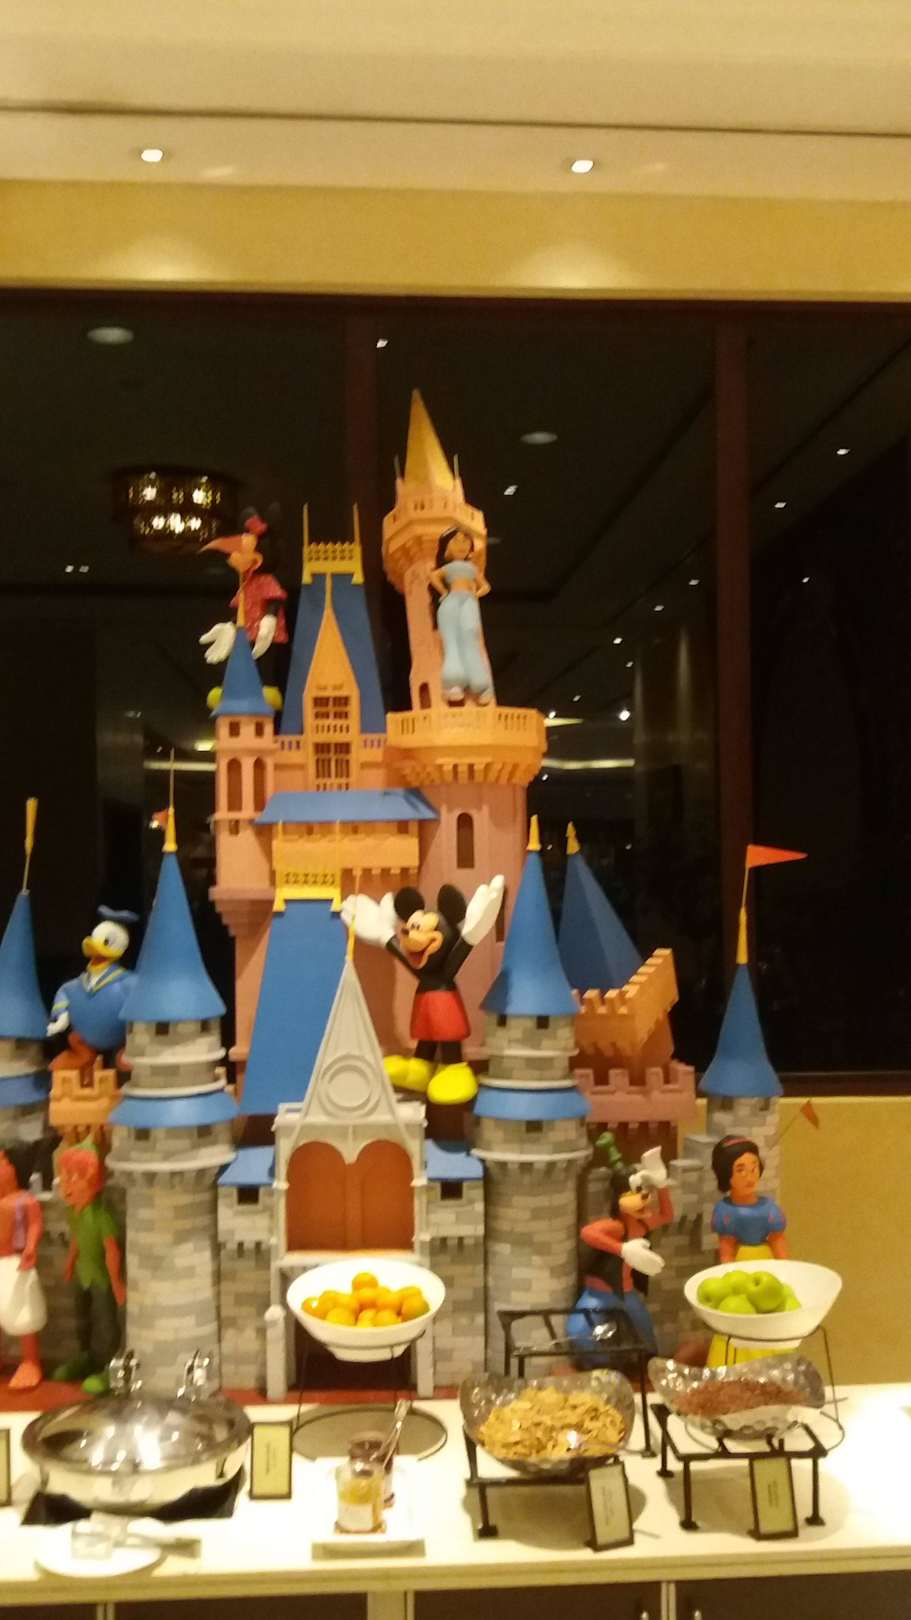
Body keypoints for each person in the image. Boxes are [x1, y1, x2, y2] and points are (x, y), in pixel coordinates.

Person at [341, 877, 504, 1105]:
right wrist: (383, 935)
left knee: (448, 1036)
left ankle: (454, 1068)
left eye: (419, 929)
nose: (410, 937)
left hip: (446, 1004)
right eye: (408, 929)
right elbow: (406, 959)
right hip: (426, 1005)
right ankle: (420, 1068)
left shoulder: (446, 970)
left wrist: (471, 935)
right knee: (426, 1036)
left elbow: (462, 949)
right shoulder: (423, 971)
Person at [568, 1147, 672, 1356]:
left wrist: (662, 1185)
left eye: (643, 1191)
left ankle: (648, 1362)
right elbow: (588, 1233)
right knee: (578, 1332)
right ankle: (598, 1364)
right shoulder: (616, 1227)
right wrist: (622, 1249)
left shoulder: (641, 1226)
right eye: (634, 1192)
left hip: (626, 1293)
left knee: (644, 1331)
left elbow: (666, 1215)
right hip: (597, 1294)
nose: (643, 1196)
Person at [707, 1134, 788, 1367]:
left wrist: (786, 1270)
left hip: (767, 1265)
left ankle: (771, 1365)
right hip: (740, 1268)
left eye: (754, 1168)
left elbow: (779, 1242)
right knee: (741, 1316)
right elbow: (726, 1251)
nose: (750, 1176)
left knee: (768, 1313)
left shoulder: (769, 1209)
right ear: (726, 1174)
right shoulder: (726, 1211)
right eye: (740, 1170)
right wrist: (728, 1277)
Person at [51, 1142, 125, 1394]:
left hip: (100, 1279)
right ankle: (87, 1357)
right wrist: (70, 1263)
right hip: (82, 1274)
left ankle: (109, 1366)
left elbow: (112, 1251)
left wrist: (116, 1282)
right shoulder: (75, 1213)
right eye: (63, 1178)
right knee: (81, 1316)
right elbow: (76, 1239)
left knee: (105, 1321)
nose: (65, 1186)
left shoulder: (101, 1216)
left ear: (93, 1182)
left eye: (73, 1178)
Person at [48, 907, 137, 1073]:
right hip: (83, 1043)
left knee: (126, 1062)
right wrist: (62, 1017)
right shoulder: (76, 985)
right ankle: (83, 1057)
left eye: (105, 943)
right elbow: (64, 992)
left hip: (120, 1044)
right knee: (68, 1061)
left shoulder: (128, 982)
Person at [428, 528, 494, 705]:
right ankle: (454, 682)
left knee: (470, 640)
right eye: (456, 541)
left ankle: (479, 683)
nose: (461, 545)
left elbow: (485, 586)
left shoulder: (471, 568)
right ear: (446, 547)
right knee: (451, 642)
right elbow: (433, 576)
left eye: (465, 542)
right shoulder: (449, 568)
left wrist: (475, 594)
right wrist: (444, 592)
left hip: (467, 604)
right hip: (451, 602)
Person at [0, 1148, 46, 1390]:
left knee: (23, 1312)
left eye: (2, 1162)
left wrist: (30, 1247)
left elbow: (35, 1225)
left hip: (17, 1263)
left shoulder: (25, 1200)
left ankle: (30, 1361)